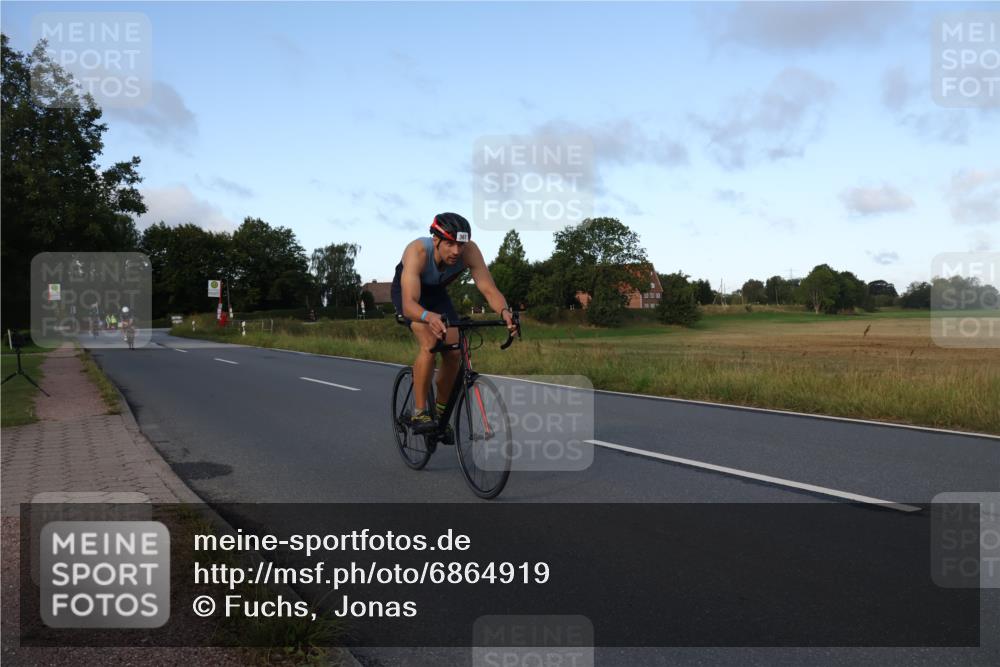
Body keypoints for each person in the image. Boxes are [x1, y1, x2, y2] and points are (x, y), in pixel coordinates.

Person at [391, 212, 517, 435]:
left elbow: (488, 288)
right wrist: (428, 317)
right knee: (430, 342)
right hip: (410, 295)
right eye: (450, 244)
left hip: (437, 295)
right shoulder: (418, 251)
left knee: (455, 351)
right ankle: (419, 411)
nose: (456, 251)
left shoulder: (470, 251)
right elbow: (410, 304)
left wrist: (505, 311)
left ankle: (440, 413)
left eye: (460, 244)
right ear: (436, 240)